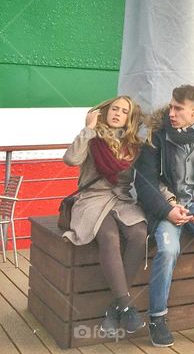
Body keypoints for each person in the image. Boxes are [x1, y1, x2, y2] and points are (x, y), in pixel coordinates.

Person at [134, 84, 194, 347]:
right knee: (167, 250)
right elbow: (144, 181)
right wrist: (168, 209)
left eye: (178, 108)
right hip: (169, 209)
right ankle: (157, 318)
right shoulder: (156, 136)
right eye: (172, 106)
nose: (172, 112)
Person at [62, 96, 147, 338]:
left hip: (120, 200)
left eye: (124, 111)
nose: (118, 113)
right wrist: (88, 129)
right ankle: (126, 306)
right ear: (105, 111)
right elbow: (71, 159)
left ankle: (117, 307)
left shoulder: (133, 146)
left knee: (139, 233)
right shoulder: (93, 138)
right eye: (114, 109)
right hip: (91, 199)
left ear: (129, 119)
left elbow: (147, 178)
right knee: (109, 237)